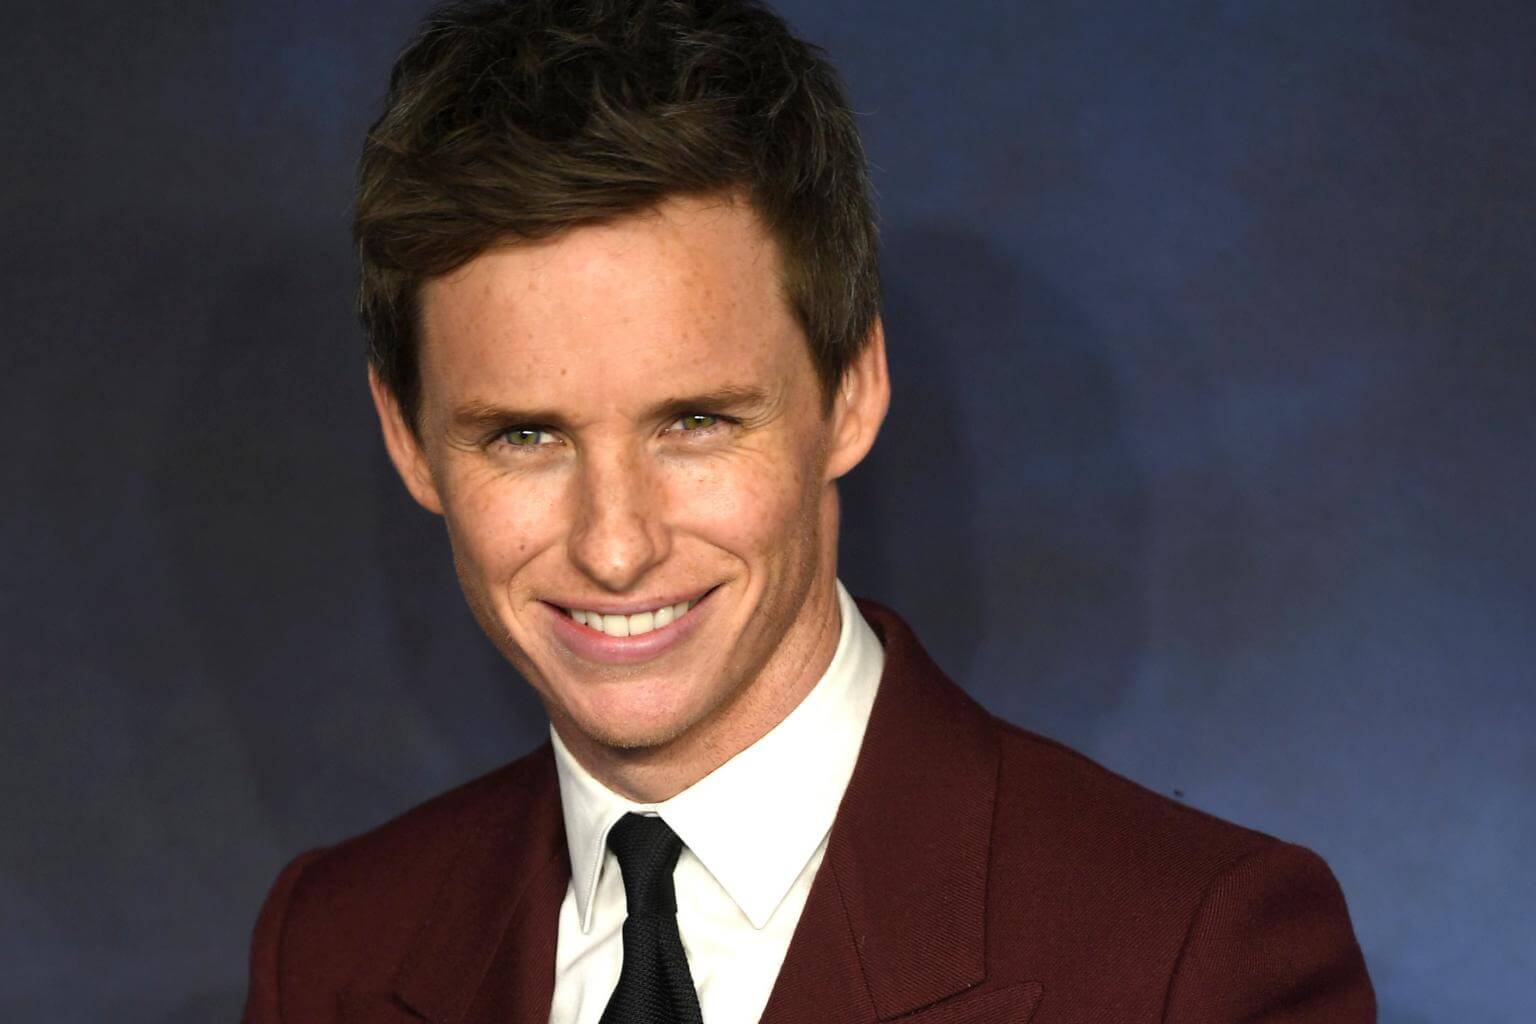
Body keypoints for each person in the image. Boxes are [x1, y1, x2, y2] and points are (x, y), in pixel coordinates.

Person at [241, 1, 1376, 1021]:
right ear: (408, 439)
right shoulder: (333, 949)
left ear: (854, 391)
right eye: (524, 436)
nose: (616, 546)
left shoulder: (1194, 957)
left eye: (696, 421)